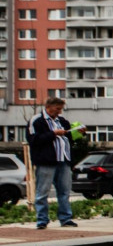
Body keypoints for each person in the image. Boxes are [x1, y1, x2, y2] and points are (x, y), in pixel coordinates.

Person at [28, 97, 84, 229]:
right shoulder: (37, 121)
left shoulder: (62, 121)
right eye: (57, 109)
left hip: (63, 160)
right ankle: (42, 220)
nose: (59, 112)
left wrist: (79, 133)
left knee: (64, 191)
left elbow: (69, 139)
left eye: (61, 109)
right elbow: (34, 140)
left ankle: (66, 218)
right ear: (49, 106)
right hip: (46, 162)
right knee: (43, 191)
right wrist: (53, 134)